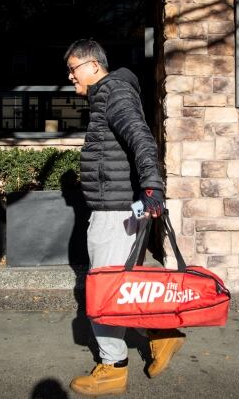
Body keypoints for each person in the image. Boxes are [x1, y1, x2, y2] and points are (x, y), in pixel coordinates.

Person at [65, 39, 186, 396]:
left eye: (72, 69)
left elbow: (141, 139)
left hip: (115, 211)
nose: (70, 77)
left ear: (92, 66)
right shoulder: (110, 93)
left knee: (101, 292)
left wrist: (152, 187)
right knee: (121, 285)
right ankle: (162, 334)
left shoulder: (111, 92)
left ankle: (113, 367)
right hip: (118, 208)